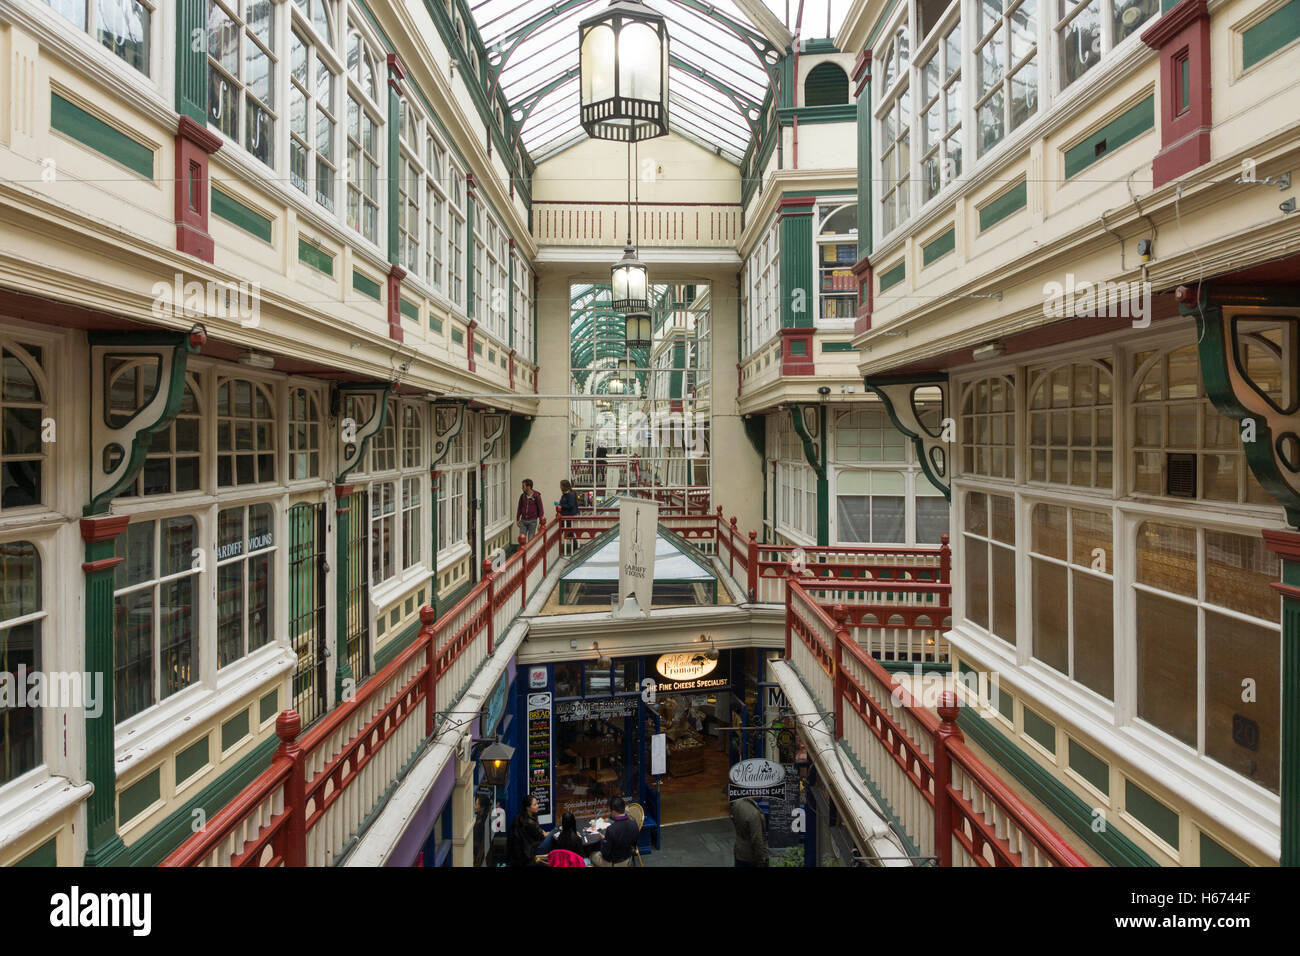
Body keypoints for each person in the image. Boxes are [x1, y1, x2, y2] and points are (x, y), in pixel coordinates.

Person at [590, 796, 638, 867]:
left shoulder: (611, 829)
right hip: (628, 859)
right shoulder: (634, 824)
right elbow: (633, 844)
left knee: (592, 855)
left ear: (613, 811)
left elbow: (605, 854)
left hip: (613, 863)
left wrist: (604, 840)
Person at [507, 795, 548, 867]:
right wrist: (549, 833)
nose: (537, 806)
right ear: (528, 808)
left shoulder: (519, 817)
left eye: (537, 804)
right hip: (527, 854)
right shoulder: (529, 823)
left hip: (517, 854)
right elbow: (542, 835)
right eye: (534, 805)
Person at [730, 796, 770, 867]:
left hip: (739, 851)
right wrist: (761, 860)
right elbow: (757, 840)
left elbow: (733, 818)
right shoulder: (754, 814)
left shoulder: (737, 803)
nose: (762, 794)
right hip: (751, 857)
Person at [473, 794, 491, 867]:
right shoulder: (479, 818)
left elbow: (483, 845)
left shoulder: (483, 822)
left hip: (480, 856)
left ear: (482, 808)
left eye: (477, 804)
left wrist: (477, 862)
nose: (475, 807)